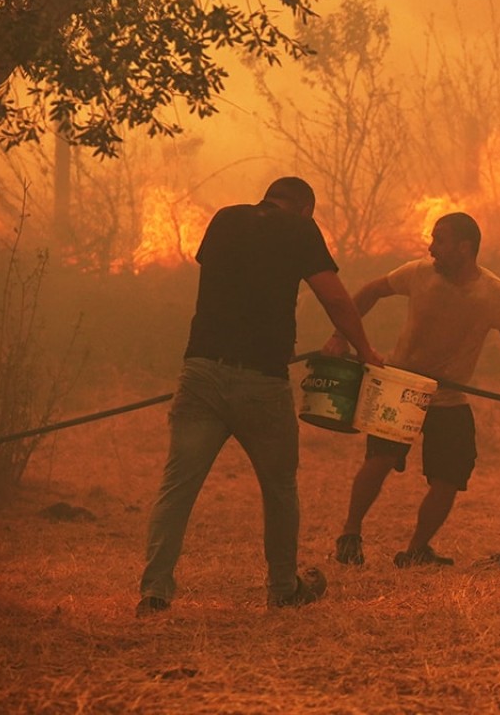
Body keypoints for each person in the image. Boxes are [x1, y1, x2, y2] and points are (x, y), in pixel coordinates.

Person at [136, 176, 383, 616]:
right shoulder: (300, 230)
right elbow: (335, 298)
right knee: (279, 488)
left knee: (177, 487)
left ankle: (155, 591)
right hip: (262, 381)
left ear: (268, 196)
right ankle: (283, 589)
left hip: (202, 371)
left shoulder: (224, 220)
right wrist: (365, 350)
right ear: (306, 209)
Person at [322, 212, 500, 568]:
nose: (432, 248)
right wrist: (342, 336)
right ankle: (350, 535)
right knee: (379, 460)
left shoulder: (494, 294)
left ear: (465, 248)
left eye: (440, 240)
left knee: (451, 476)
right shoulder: (418, 273)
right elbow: (372, 291)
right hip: (402, 384)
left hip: (449, 396)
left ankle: (417, 550)